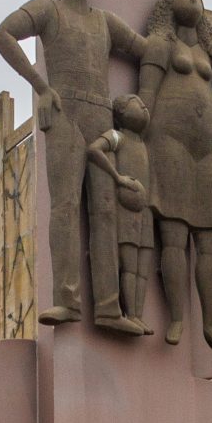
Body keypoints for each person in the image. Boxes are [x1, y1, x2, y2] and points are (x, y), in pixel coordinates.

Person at [0, 0, 150, 335]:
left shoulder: (105, 22)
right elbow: (4, 35)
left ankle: (110, 308)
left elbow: (146, 52)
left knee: (106, 210)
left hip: (100, 114)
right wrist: (40, 86)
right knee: (65, 205)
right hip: (64, 114)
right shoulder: (48, 10)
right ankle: (68, 299)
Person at [136, 0, 212, 355]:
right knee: (174, 236)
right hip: (168, 146)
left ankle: (210, 325)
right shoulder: (159, 45)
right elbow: (146, 97)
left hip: (206, 154)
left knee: (209, 243)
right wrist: (138, 141)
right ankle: (177, 318)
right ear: (169, 4)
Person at [88, 94, 155, 337]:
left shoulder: (145, 144)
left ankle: (138, 314)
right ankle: (131, 314)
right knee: (129, 265)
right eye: (137, 103)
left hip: (145, 211)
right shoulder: (118, 137)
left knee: (142, 268)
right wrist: (117, 178)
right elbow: (94, 149)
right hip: (126, 210)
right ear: (122, 112)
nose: (144, 106)